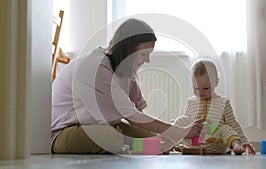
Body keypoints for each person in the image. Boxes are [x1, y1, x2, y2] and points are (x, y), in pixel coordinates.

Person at [51, 18, 203, 154]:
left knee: (154, 139)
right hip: (62, 132)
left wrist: (161, 137)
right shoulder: (97, 68)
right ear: (128, 51)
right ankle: (137, 146)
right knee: (111, 138)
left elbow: (138, 112)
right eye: (144, 54)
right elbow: (133, 117)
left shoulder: (124, 71)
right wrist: (180, 132)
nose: (147, 60)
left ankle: (140, 145)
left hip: (97, 126)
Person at [173, 59, 256, 155]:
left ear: (216, 82)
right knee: (183, 119)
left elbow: (234, 124)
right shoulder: (190, 102)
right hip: (194, 144)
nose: (200, 92)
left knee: (225, 128)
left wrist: (244, 142)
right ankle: (169, 142)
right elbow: (186, 124)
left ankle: (236, 145)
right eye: (196, 88)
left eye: (206, 88)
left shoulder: (223, 102)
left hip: (216, 143)